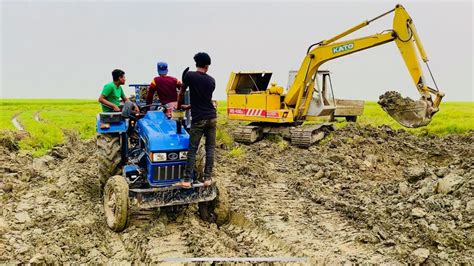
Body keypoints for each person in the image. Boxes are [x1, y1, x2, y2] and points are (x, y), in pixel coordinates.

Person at [178, 52, 216, 188]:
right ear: (207, 66)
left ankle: (187, 180)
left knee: (192, 149)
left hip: (198, 119)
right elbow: (204, 100)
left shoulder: (189, 76)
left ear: (196, 64)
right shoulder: (212, 80)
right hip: (212, 117)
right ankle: (207, 179)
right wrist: (189, 106)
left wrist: (179, 107)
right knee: (210, 149)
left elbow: (181, 92)